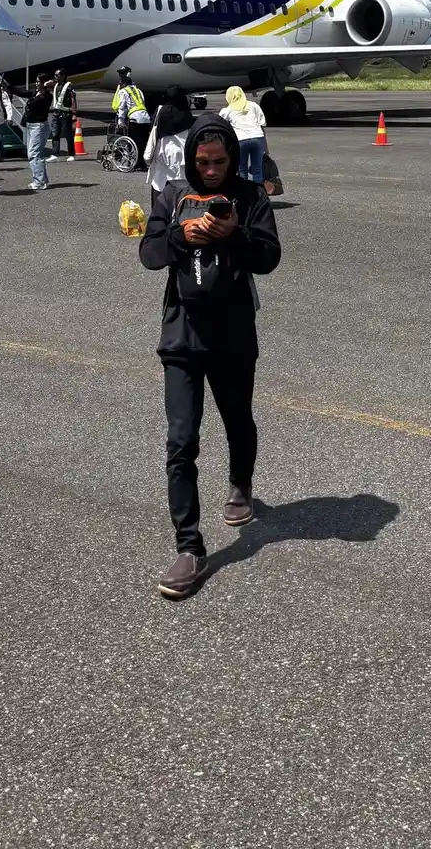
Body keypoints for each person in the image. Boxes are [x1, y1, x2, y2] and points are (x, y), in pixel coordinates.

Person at [138, 113, 282, 598]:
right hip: (182, 334)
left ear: (233, 159)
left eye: (221, 162)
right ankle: (189, 546)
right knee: (181, 441)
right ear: (192, 159)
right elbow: (149, 253)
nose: (212, 170)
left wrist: (233, 236)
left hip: (234, 332)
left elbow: (269, 258)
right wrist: (182, 236)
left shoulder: (250, 195)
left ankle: (241, 483)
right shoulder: (172, 193)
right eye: (204, 162)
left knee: (238, 419)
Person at [144, 85, 192, 208]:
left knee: (159, 184)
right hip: (182, 151)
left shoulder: (161, 110)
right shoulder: (185, 112)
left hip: (163, 150)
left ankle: (159, 215)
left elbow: (153, 128)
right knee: (182, 186)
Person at [219, 86, 269, 186]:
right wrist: (265, 147)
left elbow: (220, 126)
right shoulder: (253, 106)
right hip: (257, 138)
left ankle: (244, 195)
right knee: (257, 169)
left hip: (241, 140)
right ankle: (260, 195)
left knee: (242, 170)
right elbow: (262, 125)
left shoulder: (227, 111)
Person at [22, 74, 54, 191]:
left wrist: (45, 88)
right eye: (36, 82)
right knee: (37, 153)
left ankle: (39, 181)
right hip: (31, 125)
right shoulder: (35, 92)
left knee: (33, 153)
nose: (37, 84)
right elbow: (24, 93)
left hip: (39, 126)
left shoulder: (46, 96)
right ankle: (41, 180)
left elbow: (40, 101)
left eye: (39, 82)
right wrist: (9, 87)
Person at [112, 66, 151, 156]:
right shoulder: (139, 91)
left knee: (133, 141)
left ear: (123, 83)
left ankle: (133, 160)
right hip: (145, 117)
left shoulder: (124, 91)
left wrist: (120, 121)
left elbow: (122, 107)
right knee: (143, 141)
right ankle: (142, 161)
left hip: (135, 118)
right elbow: (142, 103)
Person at [48, 70, 77, 161]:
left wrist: (74, 113)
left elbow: (73, 99)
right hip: (57, 112)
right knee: (55, 133)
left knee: (68, 134)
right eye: (55, 75)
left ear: (63, 76)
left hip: (66, 113)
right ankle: (55, 154)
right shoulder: (56, 85)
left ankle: (71, 154)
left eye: (57, 75)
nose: (55, 77)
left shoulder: (69, 86)